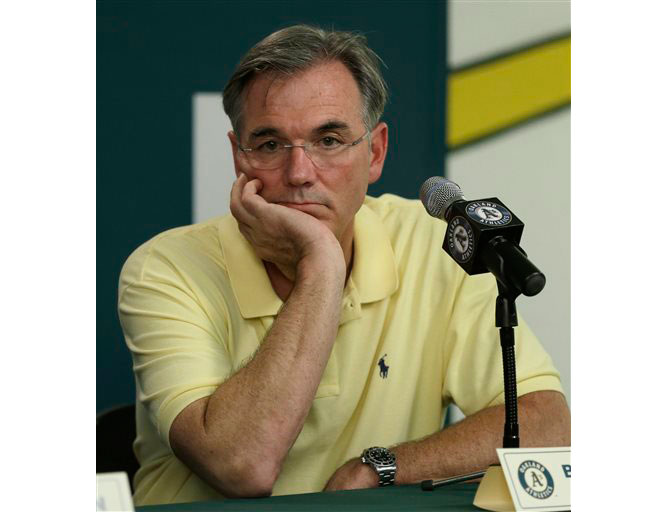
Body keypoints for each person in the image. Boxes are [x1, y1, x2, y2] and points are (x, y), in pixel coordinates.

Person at [118, 24, 570, 506]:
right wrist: (321, 266)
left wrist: (381, 468)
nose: (299, 174)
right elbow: (242, 467)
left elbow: (545, 423)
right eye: (270, 145)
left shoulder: (430, 241)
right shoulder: (164, 269)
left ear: (374, 153)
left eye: (329, 140)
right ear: (238, 157)